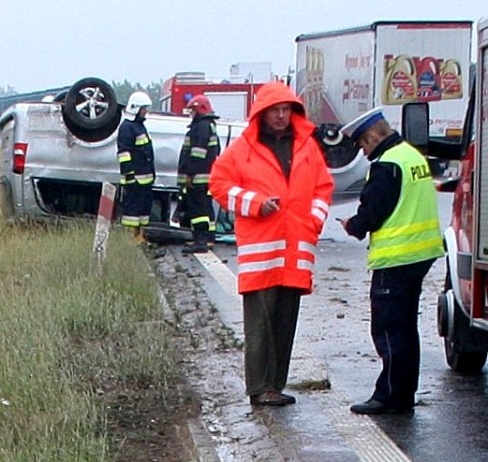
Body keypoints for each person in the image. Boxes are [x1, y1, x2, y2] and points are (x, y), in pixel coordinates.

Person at [208, 81, 334, 406]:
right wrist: (254, 203)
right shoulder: (243, 149)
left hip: (295, 251)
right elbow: (219, 185)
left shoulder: (306, 147)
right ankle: (260, 387)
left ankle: (275, 386)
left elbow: (323, 188)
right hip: (261, 251)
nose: (280, 116)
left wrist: (314, 222)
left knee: (284, 322)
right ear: (262, 114)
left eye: (285, 110)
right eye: (274, 111)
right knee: (260, 324)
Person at [339, 107, 444, 415]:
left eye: (362, 144)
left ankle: (390, 395)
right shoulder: (411, 156)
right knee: (406, 329)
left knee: (389, 330)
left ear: (373, 137)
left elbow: (373, 211)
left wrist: (354, 226)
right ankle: (403, 392)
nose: (363, 150)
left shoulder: (387, 165)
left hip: (395, 258)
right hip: (420, 255)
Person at [177, 94, 220, 254]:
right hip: (206, 176)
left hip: (198, 178)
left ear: (199, 110)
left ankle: (200, 241)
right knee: (206, 208)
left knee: (198, 210)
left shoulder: (201, 127)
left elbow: (197, 154)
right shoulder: (208, 125)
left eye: (192, 110)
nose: (191, 114)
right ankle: (208, 238)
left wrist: (189, 175)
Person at [117, 91, 156, 246]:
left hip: (145, 178)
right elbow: (124, 153)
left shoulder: (140, 127)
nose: (146, 111)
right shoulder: (127, 128)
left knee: (144, 208)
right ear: (135, 108)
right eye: (144, 108)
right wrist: (129, 175)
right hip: (134, 178)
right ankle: (131, 238)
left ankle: (141, 236)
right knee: (132, 209)